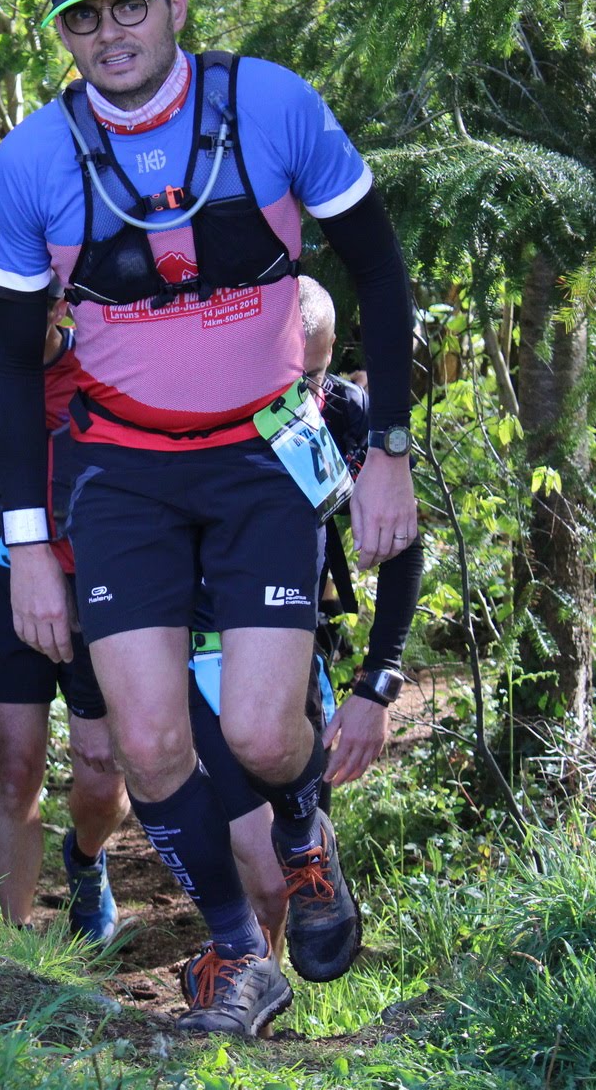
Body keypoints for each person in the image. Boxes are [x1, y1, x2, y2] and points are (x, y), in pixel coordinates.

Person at [0, 0, 419, 1035]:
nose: (110, 33)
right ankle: (235, 955)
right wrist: (27, 543)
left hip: (259, 455)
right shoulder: (32, 162)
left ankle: (304, 836)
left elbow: (379, 270)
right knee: (151, 741)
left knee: (266, 737)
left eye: (130, 6)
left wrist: (388, 453)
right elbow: (13, 370)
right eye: (83, 19)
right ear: (64, 37)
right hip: (120, 469)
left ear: (175, 4)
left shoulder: (271, 106)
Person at [181, 277, 426, 1004]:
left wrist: (377, 684)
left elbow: (401, 544)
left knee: (280, 873)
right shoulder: (191, 401)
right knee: (259, 869)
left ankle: (257, 1007)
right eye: (291, 374)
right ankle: (244, 978)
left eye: (317, 372)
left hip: (288, 648)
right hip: (192, 646)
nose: (305, 392)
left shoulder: (341, 415)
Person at [0, 296, 130, 942]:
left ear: (60, 306)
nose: (1, 314)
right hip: (8, 575)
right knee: (15, 767)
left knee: (101, 772)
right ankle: (17, 944)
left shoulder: (103, 361)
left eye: (22, 302)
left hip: (97, 578)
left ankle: (86, 861)